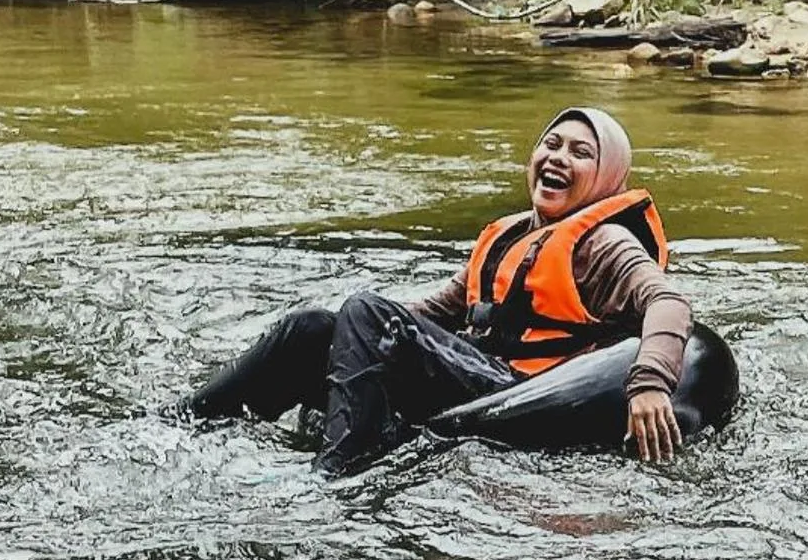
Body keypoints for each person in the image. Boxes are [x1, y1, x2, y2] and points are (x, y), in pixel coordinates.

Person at [185, 108, 691, 477]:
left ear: (606, 178)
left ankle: (340, 472)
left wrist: (648, 383)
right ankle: (185, 421)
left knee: (364, 310)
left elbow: (668, 303)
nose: (559, 158)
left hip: (522, 394)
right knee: (313, 326)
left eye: (582, 153)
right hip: (473, 372)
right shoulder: (510, 234)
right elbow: (437, 310)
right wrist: (345, 335)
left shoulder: (604, 242)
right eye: (551, 145)